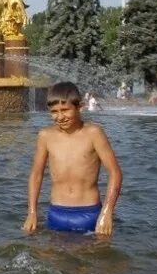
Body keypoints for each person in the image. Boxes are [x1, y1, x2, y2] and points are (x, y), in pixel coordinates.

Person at [22, 81, 122, 238]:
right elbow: (36, 175)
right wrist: (32, 212)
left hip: (89, 214)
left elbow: (115, 172)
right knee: (54, 260)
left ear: (80, 107)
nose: (60, 116)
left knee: (93, 260)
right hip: (57, 213)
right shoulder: (45, 136)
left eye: (65, 110)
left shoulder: (94, 133)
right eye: (54, 111)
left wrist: (107, 212)